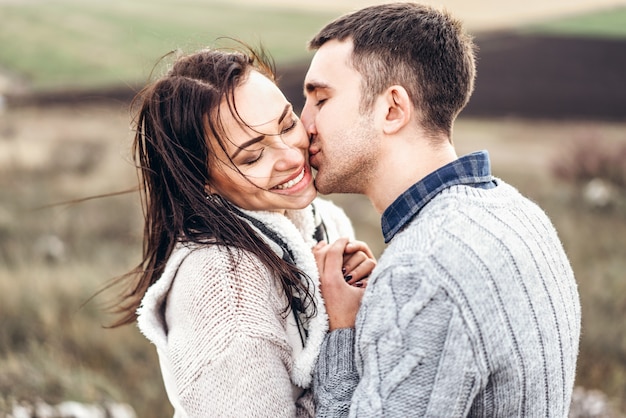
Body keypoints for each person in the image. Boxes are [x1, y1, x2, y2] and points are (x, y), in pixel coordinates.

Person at [301, 3, 581, 417]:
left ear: (392, 109)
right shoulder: (518, 210)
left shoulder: (422, 270)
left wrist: (342, 333)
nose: (303, 124)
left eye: (320, 99)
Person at [109, 45, 375, 417]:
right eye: (252, 156)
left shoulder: (323, 221)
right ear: (203, 180)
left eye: (286, 124)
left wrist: (369, 298)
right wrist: (341, 333)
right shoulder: (223, 292)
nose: (292, 156)